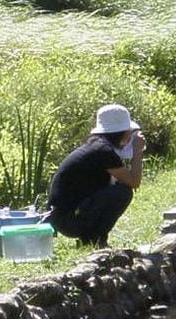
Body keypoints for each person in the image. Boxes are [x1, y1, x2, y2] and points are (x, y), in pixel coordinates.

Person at [47, 104, 145, 247]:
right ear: (122, 132)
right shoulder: (103, 151)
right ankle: (94, 239)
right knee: (122, 192)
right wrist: (137, 151)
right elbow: (134, 181)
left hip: (64, 217)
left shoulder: (97, 146)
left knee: (119, 187)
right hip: (69, 220)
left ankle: (92, 237)